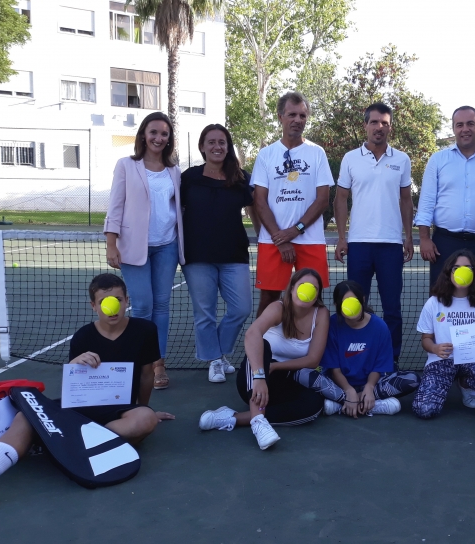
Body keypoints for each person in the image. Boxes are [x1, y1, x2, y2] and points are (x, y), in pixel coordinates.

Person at [0, 274, 174, 508]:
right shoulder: (83, 336)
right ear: (94, 306)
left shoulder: (145, 330)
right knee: (26, 416)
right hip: (79, 408)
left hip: (118, 409)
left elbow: (147, 375)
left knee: (145, 420)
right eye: (105, 302)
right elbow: (74, 386)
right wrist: (75, 364)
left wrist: (143, 407)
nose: (112, 308)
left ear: (127, 300)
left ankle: (62, 445)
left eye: (117, 299)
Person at [198, 269, 329, 450]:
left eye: (313, 289)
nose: (308, 292)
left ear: (317, 296)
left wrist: (276, 367)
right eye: (303, 286)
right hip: (254, 376)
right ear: (291, 289)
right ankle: (258, 422)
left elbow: (313, 360)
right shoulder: (278, 308)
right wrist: (260, 376)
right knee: (263, 345)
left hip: (284, 377)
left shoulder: (321, 314)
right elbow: (252, 334)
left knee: (314, 405)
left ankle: (232, 418)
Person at [104, 111, 185, 390]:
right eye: (154, 132)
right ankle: (139, 363)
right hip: (134, 248)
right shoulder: (126, 165)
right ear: (143, 135)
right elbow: (116, 204)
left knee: (161, 307)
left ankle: (158, 364)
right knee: (142, 306)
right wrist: (111, 243)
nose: (159, 138)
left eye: (164, 134)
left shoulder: (175, 171)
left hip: (167, 247)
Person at [334, 103, 414, 364]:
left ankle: (390, 362)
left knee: (392, 309)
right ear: (366, 125)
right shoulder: (350, 158)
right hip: (358, 245)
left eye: (385, 123)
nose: (380, 127)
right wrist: (342, 238)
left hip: (391, 246)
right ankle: (355, 359)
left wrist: (408, 237)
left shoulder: (402, 159)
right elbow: (341, 198)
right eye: (375, 122)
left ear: (390, 127)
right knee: (355, 306)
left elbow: (405, 201)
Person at [180, 124, 254, 384]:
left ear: (228, 146)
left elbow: (255, 210)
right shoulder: (188, 178)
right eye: (211, 142)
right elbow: (174, 212)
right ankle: (215, 361)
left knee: (242, 308)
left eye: (221, 142)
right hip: (197, 256)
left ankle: (219, 353)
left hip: (234, 255)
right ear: (202, 146)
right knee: (205, 314)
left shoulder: (241, 178)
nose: (217, 147)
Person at [250, 91, 334, 319]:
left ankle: (314, 350)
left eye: (302, 116)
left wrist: (295, 231)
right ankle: (258, 352)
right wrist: (280, 238)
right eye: (292, 115)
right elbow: (260, 201)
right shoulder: (266, 155)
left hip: (310, 239)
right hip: (273, 241)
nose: (298, 120)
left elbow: (322, 200)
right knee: (269, 299)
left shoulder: (317, 153)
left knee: (312, 299)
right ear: (280, 117)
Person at [295, 280, 420, 418]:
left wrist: (370, 387)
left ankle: (341, 404)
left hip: (372, 384)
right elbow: (334, 370)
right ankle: (367, 404)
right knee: (302, 373)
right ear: (337, 305)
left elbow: (378, 368)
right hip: (339, 386)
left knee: (412, 379)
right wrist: (348, 390)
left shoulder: (380, 326)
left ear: (363, 300)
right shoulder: (332, 325)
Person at [415, 106, 475, 289]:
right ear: (454, 128)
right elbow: (426, 202)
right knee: (441, 300)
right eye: (460, 125)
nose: (465, 129)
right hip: (444, 243)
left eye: (470, 124)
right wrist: (425, 239)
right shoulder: (438, 160)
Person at [412, 250, 475, 419]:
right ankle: (446, 382)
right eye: (456, 267)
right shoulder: (434, 302)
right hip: (442, 361)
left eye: (467, 268)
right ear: (449, 272)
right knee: (424, 409)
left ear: (474, 273)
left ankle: (464, 383)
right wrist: (435, 348)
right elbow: (426, 339)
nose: (462, 271)